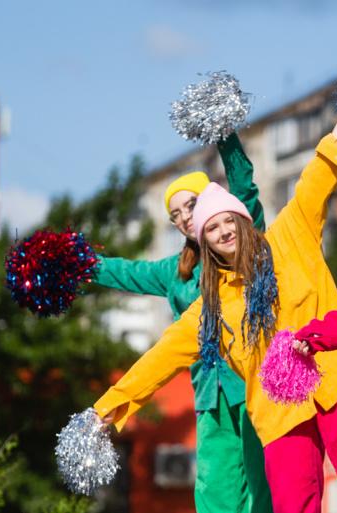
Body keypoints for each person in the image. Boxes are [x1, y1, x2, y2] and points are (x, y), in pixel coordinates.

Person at [94, 120, 337, 513]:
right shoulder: (210, 308)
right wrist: (107, 409)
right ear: (204, 242)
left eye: (229, 220)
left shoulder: (289, 235)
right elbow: (159, 359)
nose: (224, 231)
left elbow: (314, 183)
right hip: (280, 412)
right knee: (292, 505)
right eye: (212, 229)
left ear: (243, 219)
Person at [93, 133, 270, 513]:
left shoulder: (243, 240)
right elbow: (125, 272)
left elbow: (244, 185)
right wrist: (75, 262)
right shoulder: (176, 272)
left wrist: (224, 134)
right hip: (211, 397)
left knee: (263, 487)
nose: (185, 217)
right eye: (175, 214)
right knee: (214, 490)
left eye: (191, 205)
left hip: (257, 386)